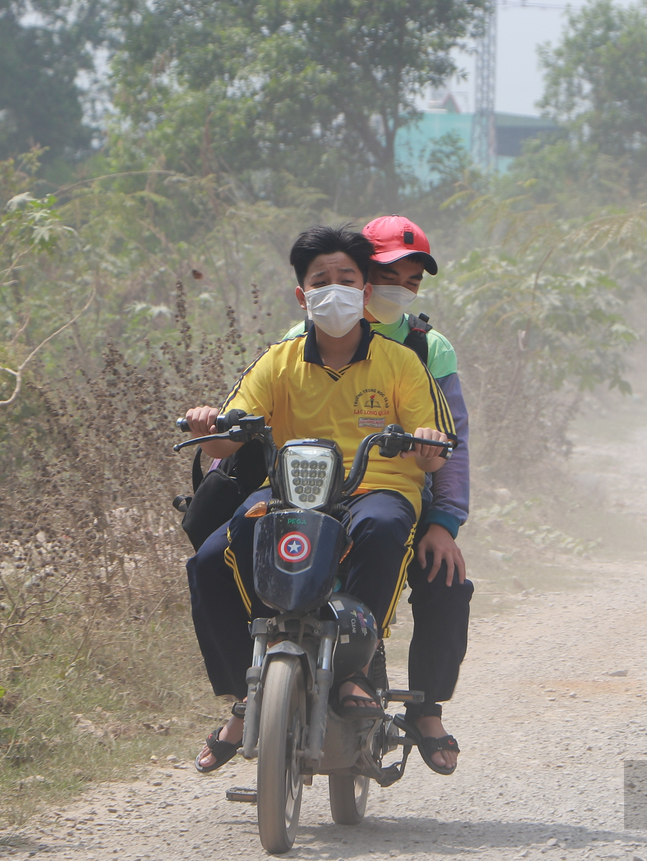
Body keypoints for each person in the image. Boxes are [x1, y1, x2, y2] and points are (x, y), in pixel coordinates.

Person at [184, 225, 455, 772]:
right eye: (320, 281)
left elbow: (437, 451)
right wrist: (208, 421)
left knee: (381, 528)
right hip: (293, 491)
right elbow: (224, 439)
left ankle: (355, 668)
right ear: (302, 296)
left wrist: (427, 444)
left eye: (346, 279)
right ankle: (245, 694)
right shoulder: (277, 361)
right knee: (212, 559)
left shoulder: (403, 363)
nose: (334, 290)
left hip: (378, 488)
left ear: (364, 291)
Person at [283, 215, 470, 775]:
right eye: (390, 275)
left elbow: (452, 441)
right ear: (363, 276)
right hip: (313, 493)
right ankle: (255, 695)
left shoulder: (426, 347)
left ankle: (426, 707)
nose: (400, 291)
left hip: (397, 497)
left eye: (412, 282)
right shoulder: (302, 342)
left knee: (445, 580)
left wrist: (444, 523)